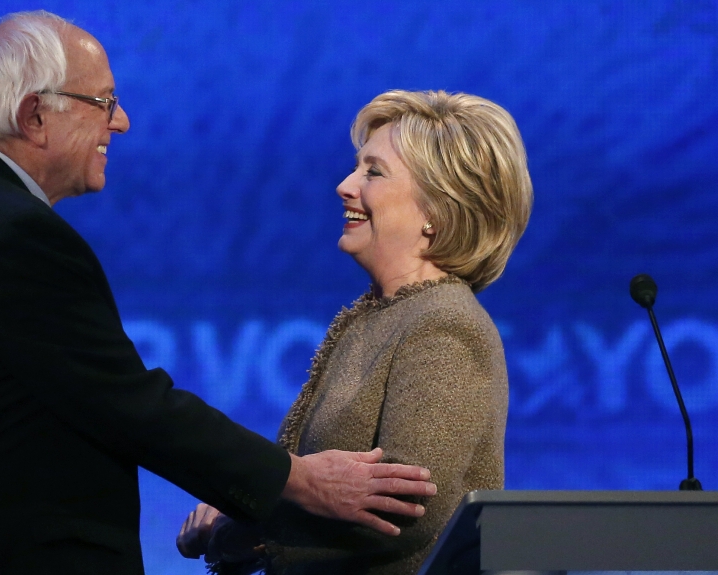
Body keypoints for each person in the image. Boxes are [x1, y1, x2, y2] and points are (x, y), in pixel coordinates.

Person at [0, 12, 438, 575]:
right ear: (36, 115)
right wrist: (299, 480)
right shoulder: (13, 236)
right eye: (104, 101)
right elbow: (131, 406)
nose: (121, 121)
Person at [177, 89, 533, 575]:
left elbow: (404, 513)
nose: (345, 186)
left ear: (437, 212)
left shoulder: (445, 326)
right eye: (356, 167)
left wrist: (246, 532)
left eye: (373, 172)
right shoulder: (378, 316)